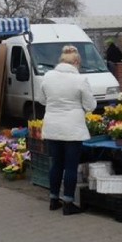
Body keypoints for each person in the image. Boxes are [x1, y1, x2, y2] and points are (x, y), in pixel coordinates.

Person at [41, 45, 97, 215]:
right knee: (70, 166)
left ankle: (53, 200)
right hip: (72, 128)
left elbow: (43, 100)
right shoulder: (80, 80)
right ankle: (68, 203)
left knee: (56, 164)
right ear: (77, 62)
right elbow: (90, 105)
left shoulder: (48, 76)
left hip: (52, 126)